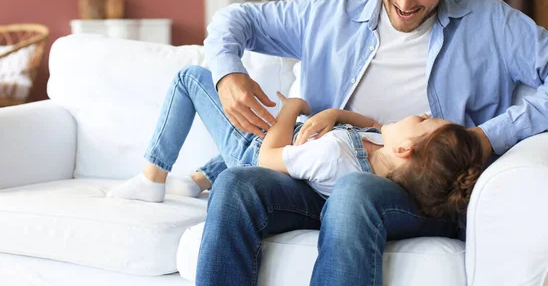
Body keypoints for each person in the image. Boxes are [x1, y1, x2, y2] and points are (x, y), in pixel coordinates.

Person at [191, 0, 548, 286]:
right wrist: (227, 72)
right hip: (323, 176)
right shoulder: (327, 15)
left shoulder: (489, 22)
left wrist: (487, 137)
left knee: (354, 193)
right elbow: (234, 18)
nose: (405, 3)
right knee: (234, 184)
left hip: (421, 193)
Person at [107, 65, 484, 222]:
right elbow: (373, 125)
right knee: (276, 125)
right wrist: (333, 114)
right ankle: (196, 180)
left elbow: (270, 156)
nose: (416, 112)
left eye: (421, 118)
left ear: (407, 148)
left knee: (190, 77)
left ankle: (151, 179)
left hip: (255, 154)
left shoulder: (334, 154)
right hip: (296, 146)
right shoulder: (385, 161)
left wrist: (295, 106)